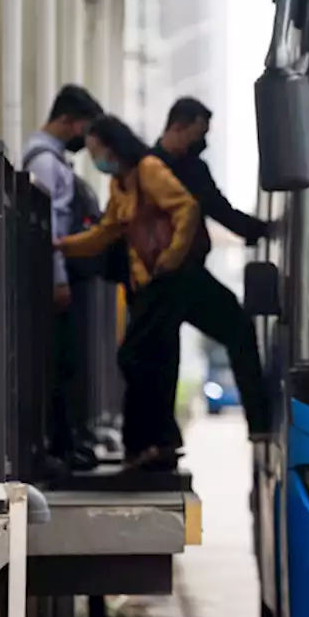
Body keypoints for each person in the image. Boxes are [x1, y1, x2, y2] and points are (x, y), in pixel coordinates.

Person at [57, 116, 201, 470]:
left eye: (97, 151)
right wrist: (63, 245)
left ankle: (153, 440)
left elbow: (187, 208)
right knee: (149, 360)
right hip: (144, 284)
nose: (95, 159)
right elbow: (106, 232)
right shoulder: (119, 186)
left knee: (135, 357)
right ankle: (148, 445)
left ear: (113, 145)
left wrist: (172, 255)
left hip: (165, 279)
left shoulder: (149, 170)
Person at [150, 97, 274, 442]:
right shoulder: (154, 169)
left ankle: (260, 423)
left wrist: (259, 230)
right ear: (178, 127)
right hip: (165, 278)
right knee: (161, 358)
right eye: (198, 133)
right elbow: (218, 210)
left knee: (236, 330)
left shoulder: (186, 166)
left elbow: (219, 208)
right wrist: (262, 230)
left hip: (185, 275)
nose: (202, 142)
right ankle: (159, 439)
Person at [22, 84, 104, 472]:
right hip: (54, 280)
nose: (84, 141)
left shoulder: (48, 160)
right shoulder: (44, 162)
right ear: (67, 120)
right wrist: (58, 280)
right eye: (83, 129)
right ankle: (56, 447)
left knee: (65, 362)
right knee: (57, 363)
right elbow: (51, 224)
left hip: (57, 277)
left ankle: (65, 444)